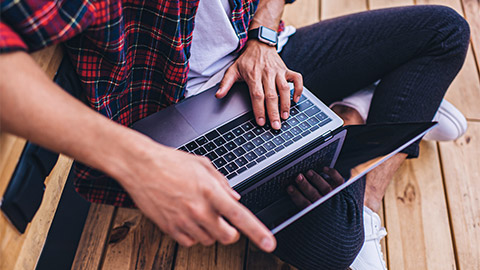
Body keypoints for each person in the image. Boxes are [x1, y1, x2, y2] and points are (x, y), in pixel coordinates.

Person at [0, 0, 470, 269]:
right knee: (335, 247)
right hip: (187, 119)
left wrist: (263, 37)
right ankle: (357, 107)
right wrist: (138, 161)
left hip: (266, 57)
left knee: (446, 31)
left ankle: (361, 186)